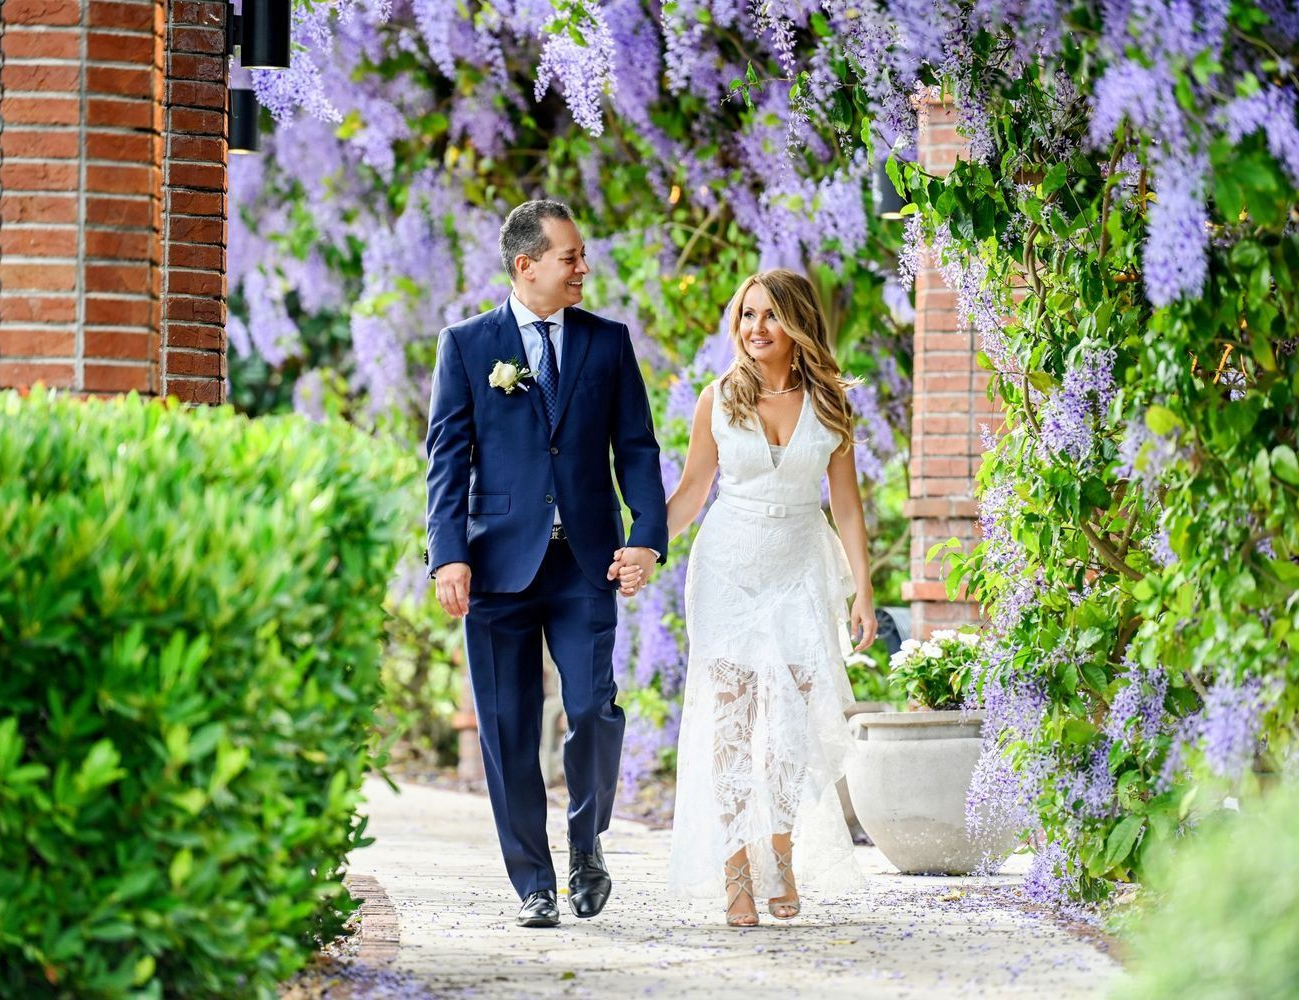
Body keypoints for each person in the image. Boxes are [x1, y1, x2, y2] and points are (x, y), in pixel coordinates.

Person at [425, 199, 667, 928]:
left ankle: (586, 842)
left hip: (584, 561)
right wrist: (447, 556)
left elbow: (636, 448)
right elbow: (446, 459)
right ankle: (533, 882)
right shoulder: (466, 346)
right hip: (496, 566)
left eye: (583, 255)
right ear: (525, 266)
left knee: (593, 706)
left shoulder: (606, 342)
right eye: (570, 257)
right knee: (505, 727)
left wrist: (646, 536)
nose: (583, 268)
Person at [638, 268, 877, 926]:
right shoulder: (719, 398)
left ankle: (781, 853)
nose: (755, 329)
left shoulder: (828, 401)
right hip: (728, 570)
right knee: (731, 725)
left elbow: (848, 508)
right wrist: (644, 544)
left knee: (790, 730)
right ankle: (736, 873)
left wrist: (862, 590)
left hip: (802, 567)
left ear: (796, 324)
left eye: (769, 316)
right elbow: (691, 491)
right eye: (746, 315)